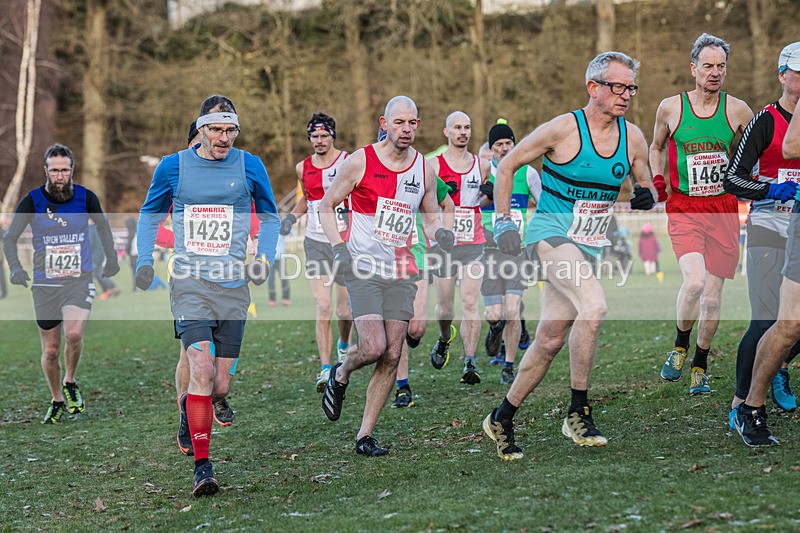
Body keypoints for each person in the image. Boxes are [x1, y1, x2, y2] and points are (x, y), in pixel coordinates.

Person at [482, 51, 655, 460]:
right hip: (551, 237)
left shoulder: (633, 137)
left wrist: (647, 195)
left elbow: (645, 183)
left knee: (548, 341)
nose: (626, 94)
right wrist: (504, 222)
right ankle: (578, 410)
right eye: (617, 86)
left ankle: (501, 416)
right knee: (594, 307)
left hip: (588, 247)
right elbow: (507, 166)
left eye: (631, 87)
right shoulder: (562, 129)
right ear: (592, 87)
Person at [135, 95, 279, 496]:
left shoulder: (250, 165)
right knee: (199, 368)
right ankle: (203, 467)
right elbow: (149, 215)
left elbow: (270, 216)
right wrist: (144, 261)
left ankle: (189, 406)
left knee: (218, 387)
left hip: (234, 287)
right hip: (190, 284)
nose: (224, 137)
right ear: (200, 128)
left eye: (230, 130)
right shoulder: (173, 166)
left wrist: (265, 258)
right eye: (216, 129)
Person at [318, 95, 455, 456]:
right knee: (374, 347)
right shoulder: (360, 161)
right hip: (362, 267)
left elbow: (429, 214)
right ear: (385, 123)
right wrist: (337, 246)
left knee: (392, 354)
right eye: (399, 123)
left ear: (418, 125)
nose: (406, 129)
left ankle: (364, 435)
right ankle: (341, 372)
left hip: (401, 271)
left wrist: (439, 232)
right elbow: (327, 205)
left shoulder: (424, 169)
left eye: (412, 123)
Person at [650, 34, 754, 394]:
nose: (715, 72)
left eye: (721, 66)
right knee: (693, 283)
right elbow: (656, 146)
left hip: (723, 209)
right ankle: (680, 345)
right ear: (693, 68)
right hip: (685, 206)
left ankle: (700, 364)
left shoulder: (738, 110)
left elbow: (758, 150)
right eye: (707, 65)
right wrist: (659, 178)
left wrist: (754, 180)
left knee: (712, 297)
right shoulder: (671, 108)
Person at [4, 143, 120, 424]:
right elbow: (9, 237)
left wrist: (112, 259)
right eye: (54, 170)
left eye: (64, 170)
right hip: (45, 286)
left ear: (72, 170)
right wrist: (16, 269)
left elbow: (103, 226)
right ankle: (57, 398)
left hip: (78, 281)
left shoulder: (85, 197)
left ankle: (70, 380)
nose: (59, 175)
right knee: (52, 349)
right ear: (46, 170)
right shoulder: (32, 201)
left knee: (74, 334)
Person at [727, 42, 800, 446]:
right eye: (799, 73)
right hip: (769, 227)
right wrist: (773, 187)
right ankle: (742, 404)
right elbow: (732, 179)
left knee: (791, 325)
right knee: (764, 320)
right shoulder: (766, 121)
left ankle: (778, 363)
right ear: (783, 75)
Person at [279, 113, 353, 392]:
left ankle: (343, 346)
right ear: (309, 138)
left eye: (324, 136)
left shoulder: (348, 161)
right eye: (314, 136)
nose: (319, 141)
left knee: (345, 310)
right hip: (315, 242)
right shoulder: (302, 167)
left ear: (333, 135)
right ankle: (325, 368)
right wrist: (290, 218)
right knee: (323, 306)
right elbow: (306, 200)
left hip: (344, 242)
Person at [478, 120, 541, 384]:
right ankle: (494, 328)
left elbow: (542, 204)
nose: (504, 148)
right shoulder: (483, 172)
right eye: (499, 144)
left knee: (513, 309)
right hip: (490, 250)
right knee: (495, 314)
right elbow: (472, 207)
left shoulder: (526, 173)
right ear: (491, 148)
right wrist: (486, 197)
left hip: (518, 251)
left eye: (508, 143)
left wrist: (535, 237)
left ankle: (509, 364)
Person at [429, 111, 486, 384]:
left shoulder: (481, 165)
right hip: (445, 247)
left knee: (471, 302)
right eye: (457, 128)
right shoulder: (434, 166)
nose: (463, 132)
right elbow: (425, 203)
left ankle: (470, 362)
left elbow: (487, 199)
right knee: (445, 310)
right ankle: (443, 337)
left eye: (467, 127)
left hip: (473, 243)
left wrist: (488, 194)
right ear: (446, 132)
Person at [89, 223, 121, 299]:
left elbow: (90, 244)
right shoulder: (99, 229)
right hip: (100, 255)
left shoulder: (90, 230)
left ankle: (109, 288)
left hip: (93, 256)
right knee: (98, 273)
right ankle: (110, 288)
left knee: (95, 274)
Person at [267, 233, 290, 307]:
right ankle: (272, 299)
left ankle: (286, 298)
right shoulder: (268, 227)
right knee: (271, 279)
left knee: (284, 278)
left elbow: (290, 231)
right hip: (270, 258)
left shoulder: (282, 226)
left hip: (281, 257)